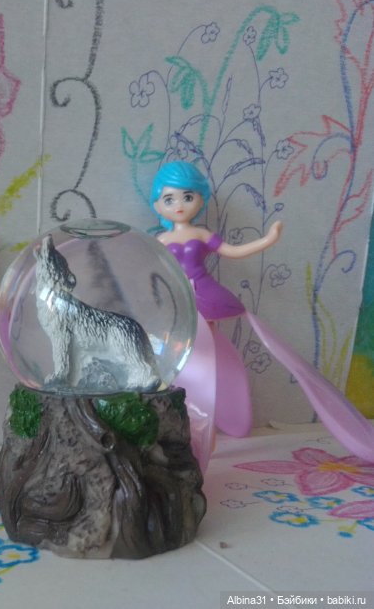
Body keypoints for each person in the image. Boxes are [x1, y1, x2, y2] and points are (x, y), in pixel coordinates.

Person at [151, 161, 374, 466]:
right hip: (178, 303)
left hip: (205, 296)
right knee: (188, 363)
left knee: (210, 358)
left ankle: (209, 428)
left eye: (187, 196)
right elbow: (151, 272)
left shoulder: (201, 235)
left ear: (200, 198)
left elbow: (233, 251)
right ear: (157, 205)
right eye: (169, 199)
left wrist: (268, 239)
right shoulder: (160, 241)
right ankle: (195, 427)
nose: (179, 205)